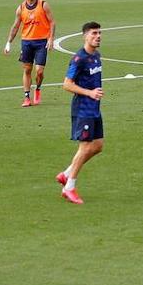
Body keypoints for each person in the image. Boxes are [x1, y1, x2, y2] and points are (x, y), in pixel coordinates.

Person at [58, 21, 105, 205]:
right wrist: (90, 93)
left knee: (98, 146)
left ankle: (66, 173)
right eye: (94, 33)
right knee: (85, 147)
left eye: (99, 33)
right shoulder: (79, 59)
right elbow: (66, 84)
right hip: (83, 109)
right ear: (85, 36)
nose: (98, 36)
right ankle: (69, 187)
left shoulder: (97, 56)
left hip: (94, 109)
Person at [4, 0, 56, 107]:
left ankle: (37, 89)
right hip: (26, 42)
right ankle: (27, 97)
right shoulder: (21, 8)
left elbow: (52, 22)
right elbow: (16, 26)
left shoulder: (43, 5)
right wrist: (8, 42)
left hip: (41, 42)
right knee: (27, 69)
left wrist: (51, 39)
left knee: (39, 71)